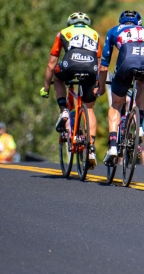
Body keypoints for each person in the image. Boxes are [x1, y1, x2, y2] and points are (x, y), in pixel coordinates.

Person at [40, 12, 101, 166]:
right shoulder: (95, 34)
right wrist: (99, 84)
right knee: (90, 109)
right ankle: (91, 147)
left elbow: (51, 63)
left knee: (58, 76)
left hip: (70, 65)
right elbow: (101, 64)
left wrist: (46, 87)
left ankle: (64, 110)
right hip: (91, 68)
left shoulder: (63, 32)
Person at [98, 10, 144, 165]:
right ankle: (140, 123)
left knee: (116, 105)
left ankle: (112, 146)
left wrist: (101, 88)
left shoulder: (114, 31)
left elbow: (104, 67)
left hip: (126, 63)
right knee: (141, 82)